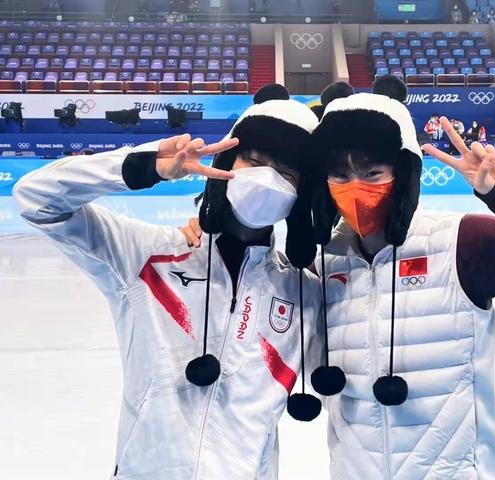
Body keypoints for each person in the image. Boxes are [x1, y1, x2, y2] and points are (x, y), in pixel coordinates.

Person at [182, 76, 495, 479]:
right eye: (340, 175)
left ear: (402, 175)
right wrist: (204, 237)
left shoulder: (459, 245)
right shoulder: (320, 268)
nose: (356, 187)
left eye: (372, 174)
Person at [13, 86, 324, 479]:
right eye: (255, 161)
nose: (266, 179)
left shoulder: (304, 292)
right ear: (226, 163)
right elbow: (35, 199)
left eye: (286, 173)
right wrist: (145, 165)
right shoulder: (147, 255)